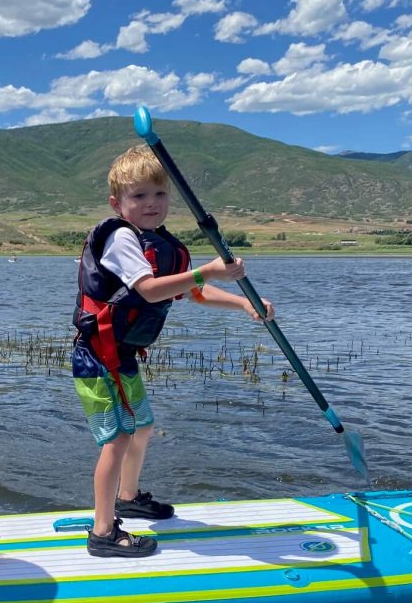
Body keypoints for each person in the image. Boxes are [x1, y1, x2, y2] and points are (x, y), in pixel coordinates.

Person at [73, 145, 275, 558]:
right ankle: (103, 532)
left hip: (123, 357)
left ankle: (127, 496)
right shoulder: (120, 239)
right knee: (117, 439)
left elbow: (195, 292)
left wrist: (243, 303)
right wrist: (207, 268)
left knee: (141, 426)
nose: (151, 204)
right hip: (97, 357)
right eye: (139, 196)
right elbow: (147, 289)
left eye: (159, 195)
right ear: (118, 203)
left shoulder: (165, 247)